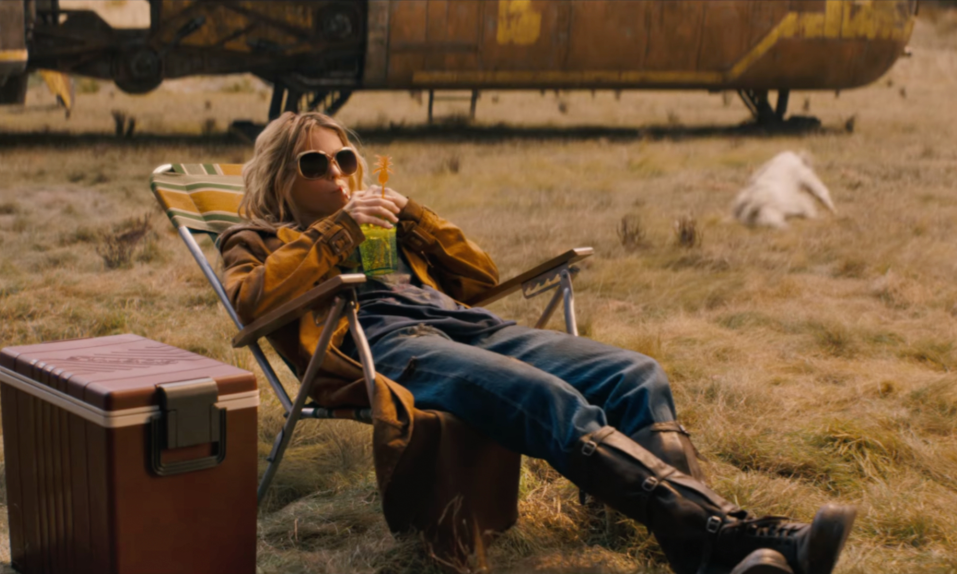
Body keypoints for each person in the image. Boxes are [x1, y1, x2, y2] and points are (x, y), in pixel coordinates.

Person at [219, 112, 856, 574]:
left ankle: (706, 551)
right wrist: (337, 231)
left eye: (344, 160)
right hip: (383, 344)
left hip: (467, 327)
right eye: (314, 165)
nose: (336, 173)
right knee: (543, 396)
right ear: (280, 179)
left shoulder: (386, 224)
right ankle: (737, 537)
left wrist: (413, 216)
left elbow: (479, 278)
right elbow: (250, 303)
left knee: (635, 373)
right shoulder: (257, 239)